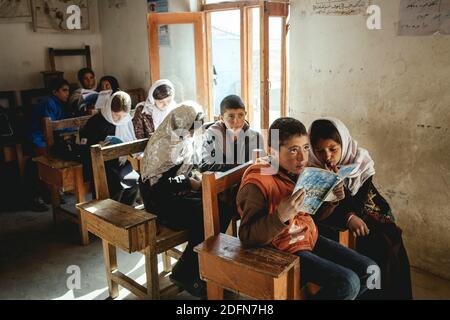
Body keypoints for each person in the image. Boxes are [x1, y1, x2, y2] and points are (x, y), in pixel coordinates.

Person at [237, 117, 378, 300]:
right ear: (272, 152)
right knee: (348, 283)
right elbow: (247, 235)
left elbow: (313, 215)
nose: (303, 158)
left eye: (305, 148)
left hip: (306, 237)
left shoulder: (298, 172)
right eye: (293, 150)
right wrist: (280, 216)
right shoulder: (258, 182)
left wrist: (331, 199)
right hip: (279, 248)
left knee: (371, 271)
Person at [309, 118, 412, 300]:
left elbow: (358, 206)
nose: (327, 156)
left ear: (344, 143)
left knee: (391, 241)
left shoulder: (360, 161)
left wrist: (341, 187)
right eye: (320, 150)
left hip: (369, 211)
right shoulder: (312, 169)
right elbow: (318, 211)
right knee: (376, 248)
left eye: (333, 149)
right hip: (342, 221)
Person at [139, 102, 234, 297]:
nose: (192, 134)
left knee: (223, 206)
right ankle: (187, 271)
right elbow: (159, 185)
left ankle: (196, 268)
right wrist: (189, 184)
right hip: (160, 202)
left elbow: (194, 166)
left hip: (179, 194)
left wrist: (201, 177)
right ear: (181, 123)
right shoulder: (164, 144)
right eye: (190, 129)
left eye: (194, 130)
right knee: (210, 215)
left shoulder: (184, 139)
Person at [80, 91, 139, 205]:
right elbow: (84, 147)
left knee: (134, 182)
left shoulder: (125, 121)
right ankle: (111, 216)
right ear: (108, 108)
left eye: (122, 116)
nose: (118, 119)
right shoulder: (95, 122)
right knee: (116, 185)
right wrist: (98, 145)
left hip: (120, 162)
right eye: (116, 115)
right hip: (100, 165)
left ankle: (127, 213)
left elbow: (131, 140)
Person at [26, 78, 71, 211]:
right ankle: (38, 196)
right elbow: (50, 126)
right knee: (44, 163)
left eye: (68, 90)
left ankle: (52, 192)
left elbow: (61, 122)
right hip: (38, 138)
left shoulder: (58, 103)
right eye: (64, 90)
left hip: (49, 137)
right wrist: (70, 128)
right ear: (54, 91)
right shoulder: (48, 103)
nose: (67, 93)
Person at [199, 95, 264, 173]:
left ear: (245, 114)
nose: (236, 121)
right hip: (221, 184)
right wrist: (240, 166)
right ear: (221, 118)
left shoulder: (256, 137)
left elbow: (259, 166)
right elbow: (204, 166)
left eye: (240, 115)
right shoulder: (211, 135)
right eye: (231, 116)